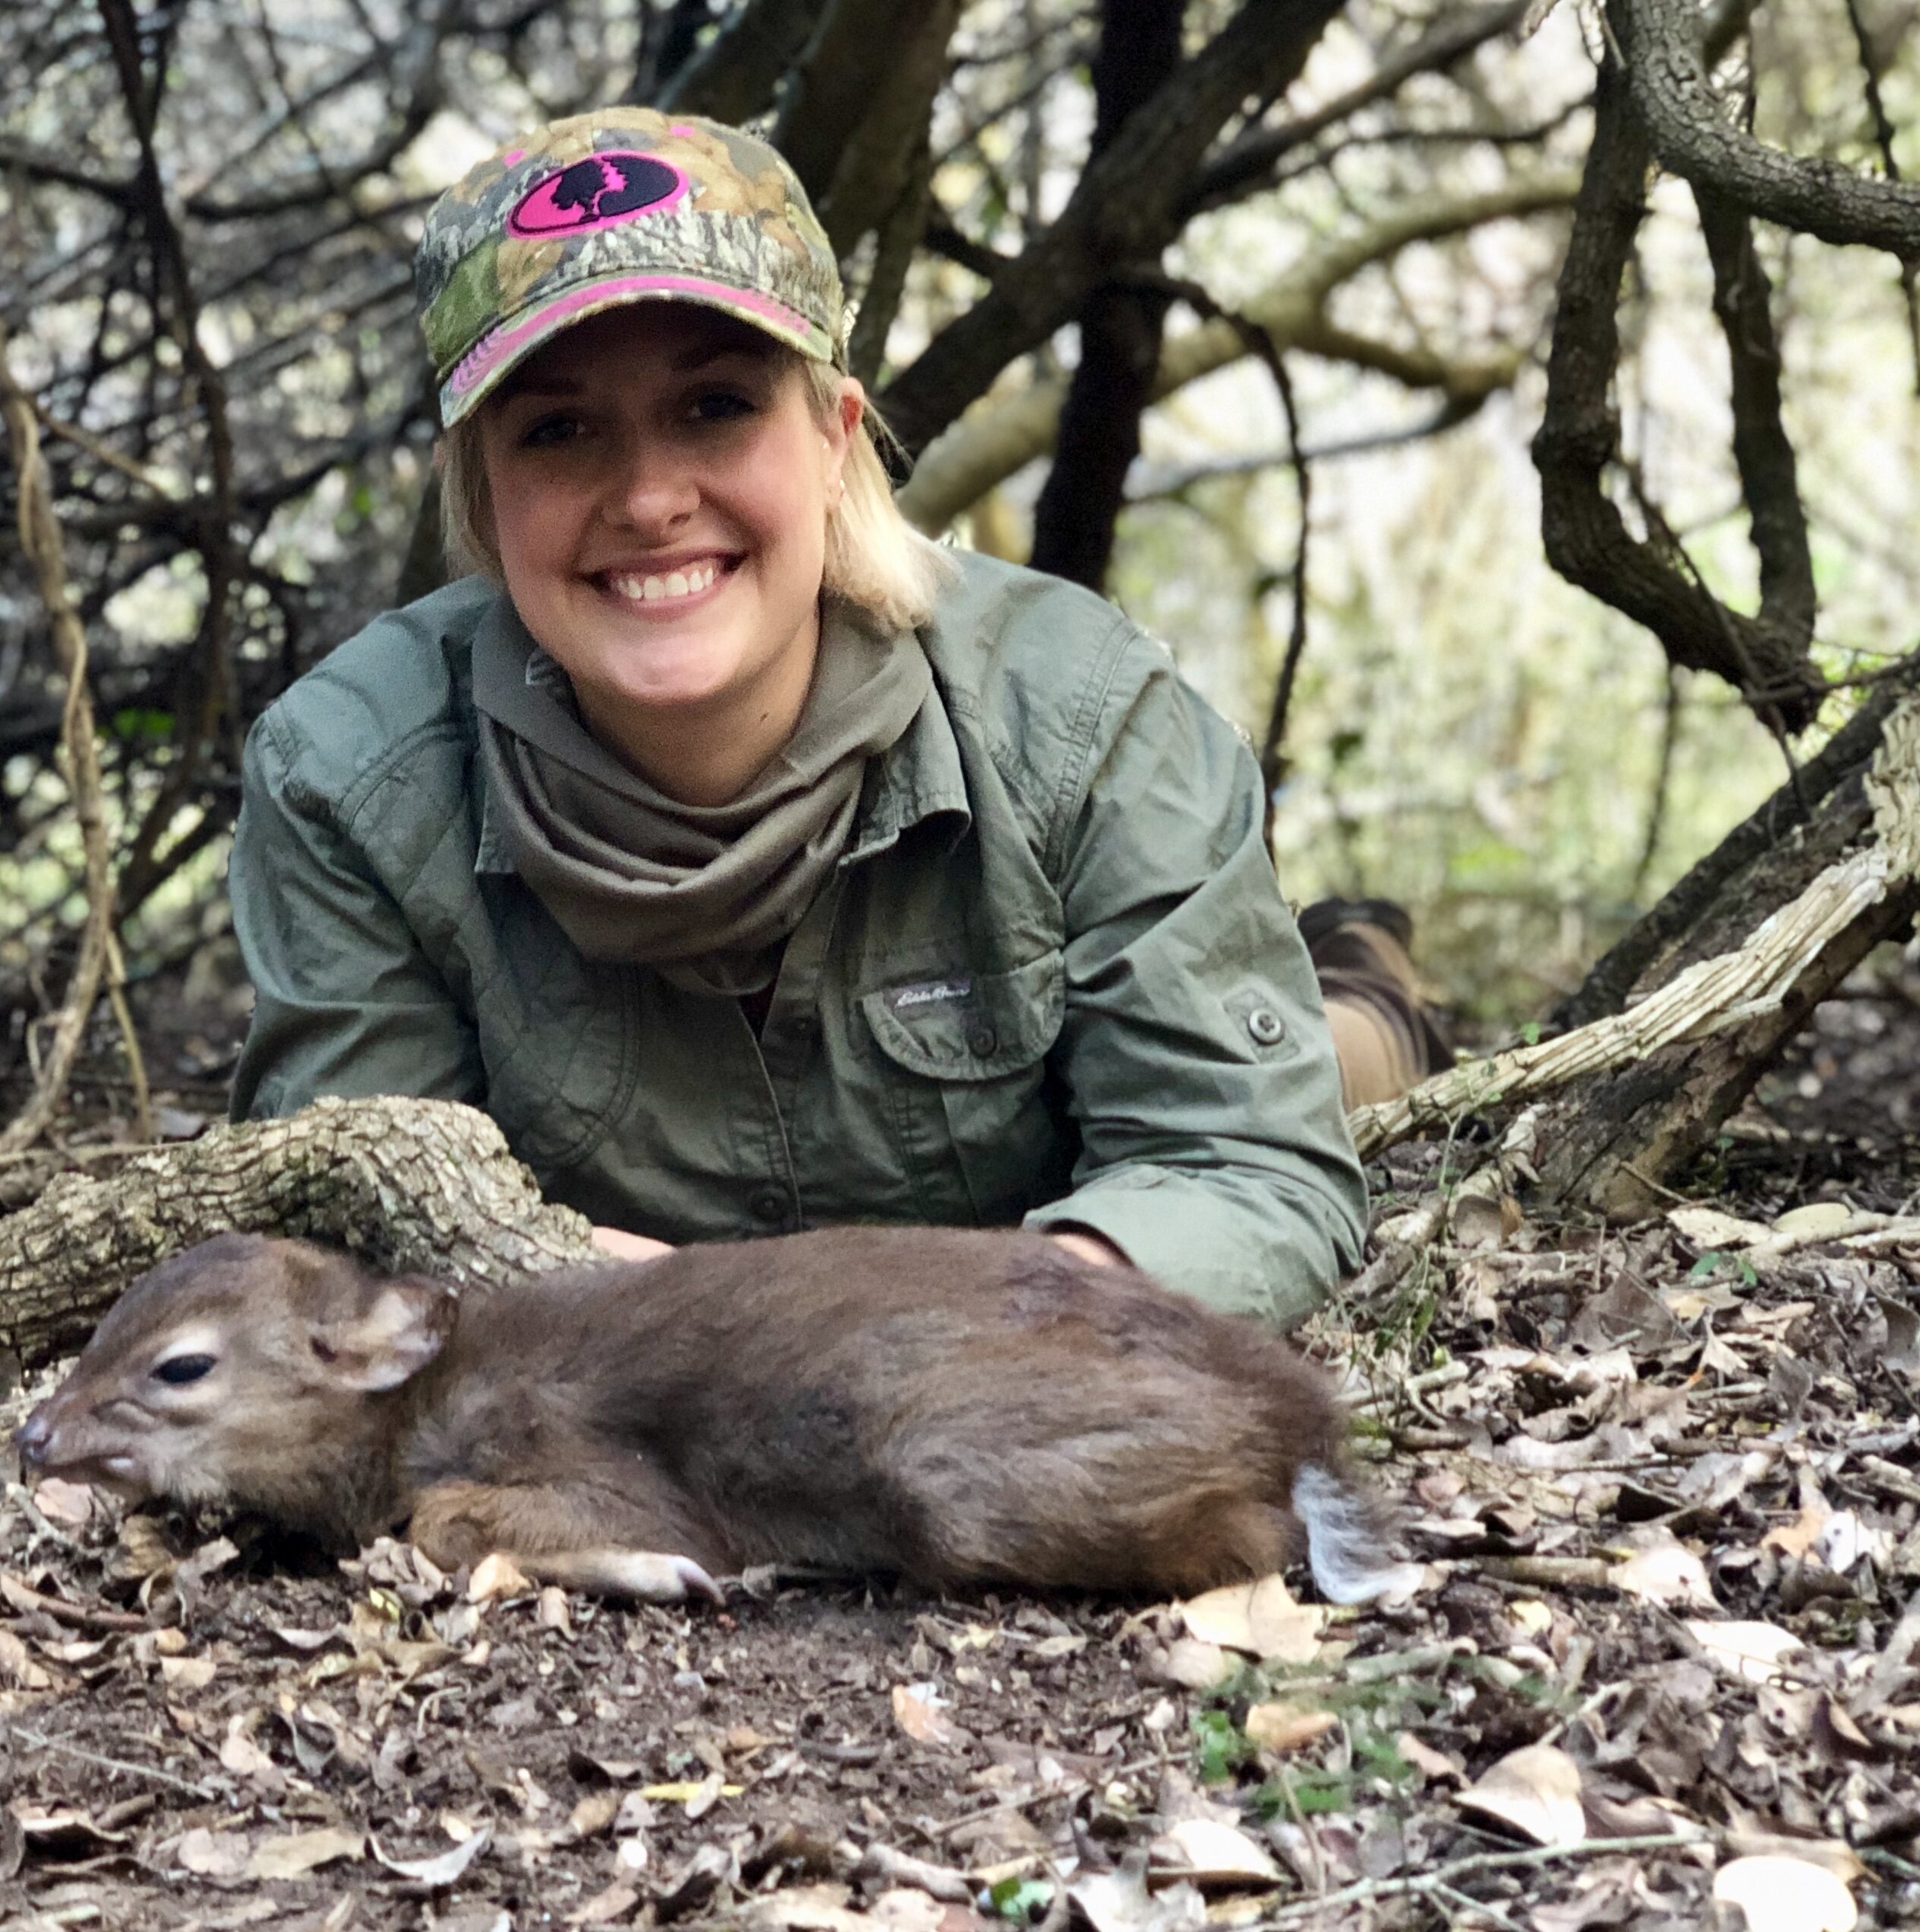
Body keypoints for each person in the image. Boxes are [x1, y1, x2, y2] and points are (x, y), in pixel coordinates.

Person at [226, 105, 1439, 1326]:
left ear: (834, 439)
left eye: (716, 406)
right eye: (558, 429)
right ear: (482, 502)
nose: (649, 498)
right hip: (913, 1340)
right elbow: (345, 1247)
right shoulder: (347, 782)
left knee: (1338, 1069)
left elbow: (1244, 1167)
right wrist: (792, 1337)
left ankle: (1366, 973)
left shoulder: (1076, 709)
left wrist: (909, 1340)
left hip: (1032, 1287)